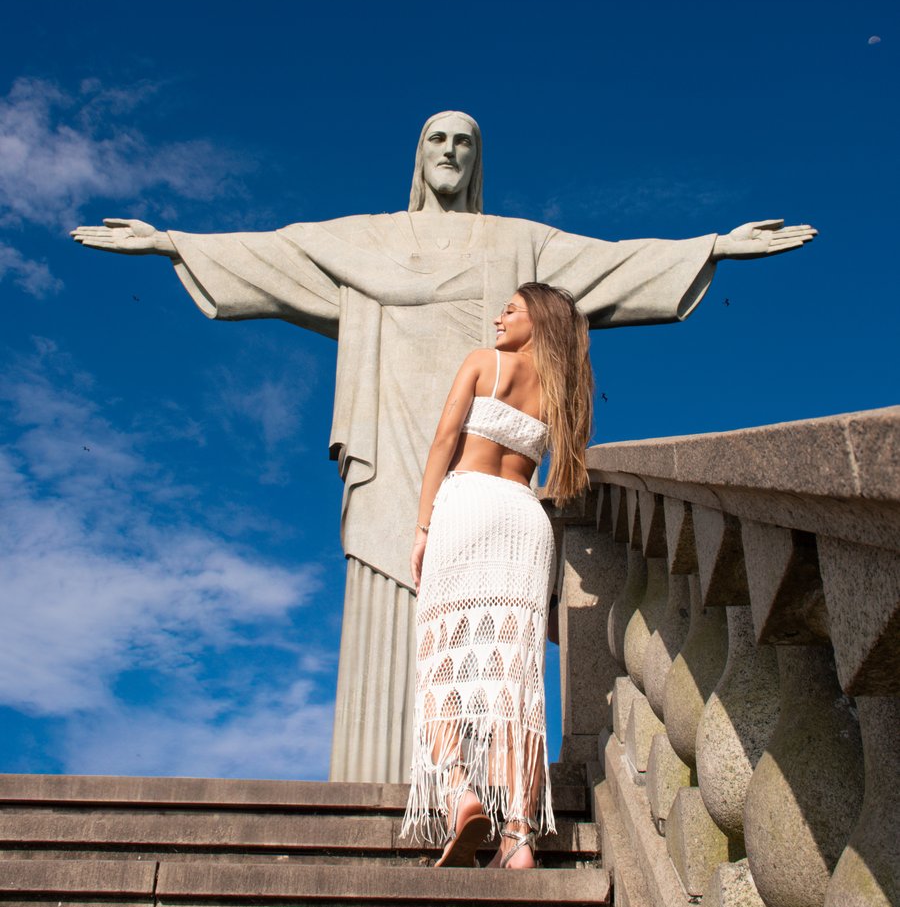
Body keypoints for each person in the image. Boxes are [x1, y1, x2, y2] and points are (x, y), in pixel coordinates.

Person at [70, 110, 817, 783]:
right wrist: (171, 243)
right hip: (392, 436)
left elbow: (610, 264)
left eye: (465, 141)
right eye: (437, 138)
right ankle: (400, 790)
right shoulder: (369, 239)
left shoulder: (518, 243)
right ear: (419, 154)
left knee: (481, 616)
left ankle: (473, 788)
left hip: (480, 466)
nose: (451, 150)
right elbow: (279, 254)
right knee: (398, 586)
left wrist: (712, 247)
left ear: (477, 159)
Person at [401, 282, 594, 870]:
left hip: (466, 506)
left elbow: (443, 442)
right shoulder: (564, 395)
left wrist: (422, 527)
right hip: (524, 519)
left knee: (443, 661)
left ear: (540, 320)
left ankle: (460, 793)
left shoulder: (484, 364)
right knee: (517, 679)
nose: (498, 318)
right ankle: (518, 836)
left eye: (511, 309)